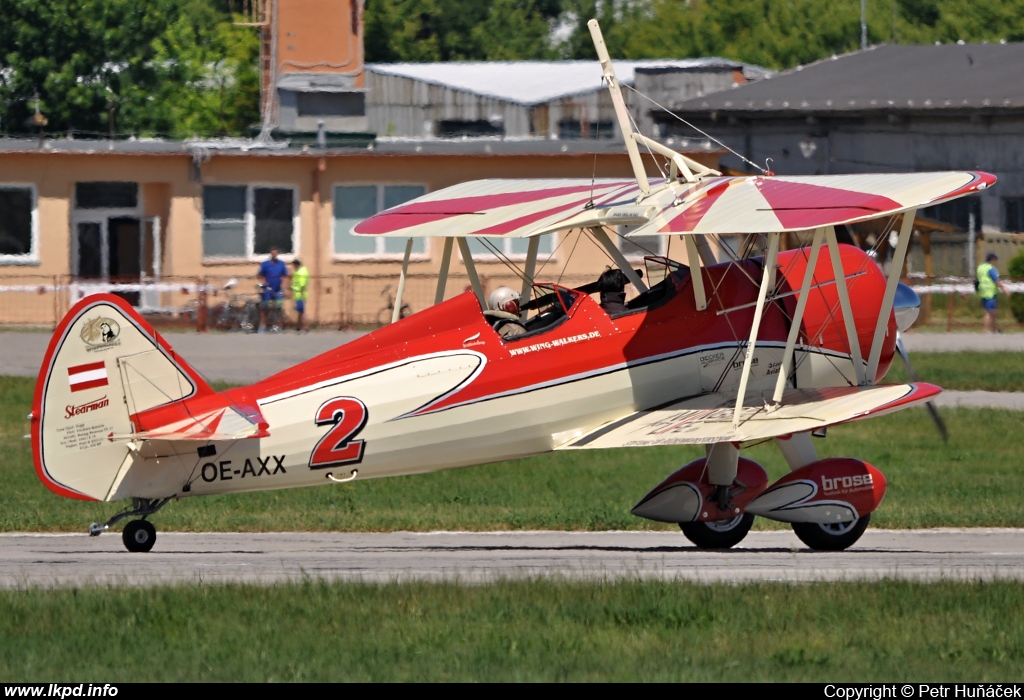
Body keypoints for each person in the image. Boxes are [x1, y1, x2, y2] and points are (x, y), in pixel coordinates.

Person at [257, 248, 288, 332]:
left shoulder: (281, 264)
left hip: (278, 289)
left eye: (276, 253)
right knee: (265, 307)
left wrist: (284, 287)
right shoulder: (265, 264)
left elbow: (285, 275)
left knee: (278, 308)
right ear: (270, 253)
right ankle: (262, 326)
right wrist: (264, 283)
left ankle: (278, 326)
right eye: (272, 253)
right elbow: (260, 275)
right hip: (268, 289)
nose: (274, 254)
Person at [977, 252, 1008, 333]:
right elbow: (996, 280)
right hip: (990, 292)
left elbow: (977, 280)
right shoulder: (990, 268)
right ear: (993, 260)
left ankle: (996, 329)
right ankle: (986, 329)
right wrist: (1004, 289)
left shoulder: (980, 267)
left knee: (993, 311)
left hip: (982, 291)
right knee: (989, 312)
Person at [290, 258, 310, 333]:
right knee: (299, 311)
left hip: (300, 295)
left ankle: (306, 326)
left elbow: (302, 284)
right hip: (298, 294)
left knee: (301, 311)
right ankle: (298, 326)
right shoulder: (299, 271)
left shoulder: (301, 272)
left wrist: (299, 293)